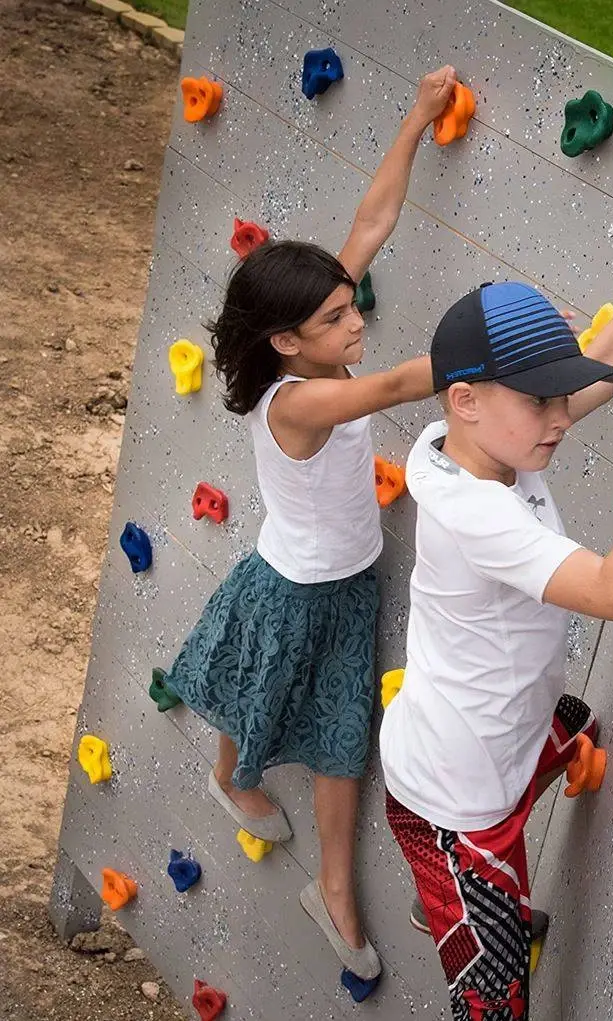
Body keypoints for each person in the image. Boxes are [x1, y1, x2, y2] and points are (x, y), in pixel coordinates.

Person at [379, 208, 613, 1019]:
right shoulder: (477, 511)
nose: (562, 415)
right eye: (544, 398)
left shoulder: (473, 437)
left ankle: (458, 906)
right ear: (469, 398)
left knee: (578, 722)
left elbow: (594, 374)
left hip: (486, 734)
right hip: (457, 814)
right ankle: (456, 906)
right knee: (497, 1004)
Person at [156, 65, 458, 987]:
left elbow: (368, 225)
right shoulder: (300, 401)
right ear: (289, 340)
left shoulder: (308, 330)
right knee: (258, 695)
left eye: (347, 302)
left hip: (344, 577)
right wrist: (507, 335)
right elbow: (403, 382)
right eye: (337, 315)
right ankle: (231, 777)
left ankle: (332, 887)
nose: (353, 315)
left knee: (337, 736)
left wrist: (415, 118)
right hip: (296, 586)